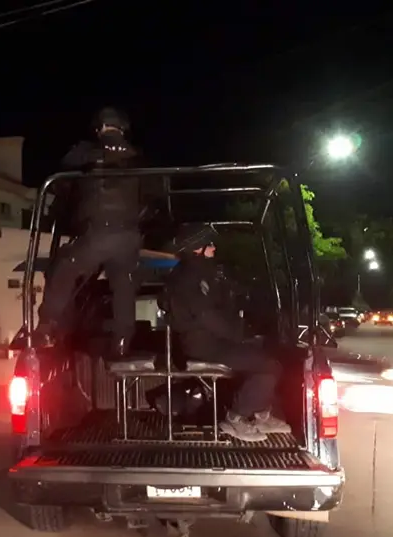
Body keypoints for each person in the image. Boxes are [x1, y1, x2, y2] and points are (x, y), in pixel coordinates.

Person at [163, 223, 290, 442]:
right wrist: (238, 335)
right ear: (197, 249)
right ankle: (236, 418)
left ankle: (260, 415)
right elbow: (207, 316)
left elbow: (222, 306)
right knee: (267, 366)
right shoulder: (187, 278)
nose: (214, 247)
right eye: (209, 244)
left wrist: (244, 328)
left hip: (214, 341)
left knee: (272, 361)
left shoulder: (202, 271)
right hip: (203, 346)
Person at [35, 107, 143, 360]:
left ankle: (47, 327)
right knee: (124, 284)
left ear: (99, 128)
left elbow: (62, 182)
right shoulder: (137, 157)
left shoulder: (84, 152)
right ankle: (122, 342)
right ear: (123, 128)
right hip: (129, 236)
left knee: (64, 266)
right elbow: (154, 195)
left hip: (97, 233)